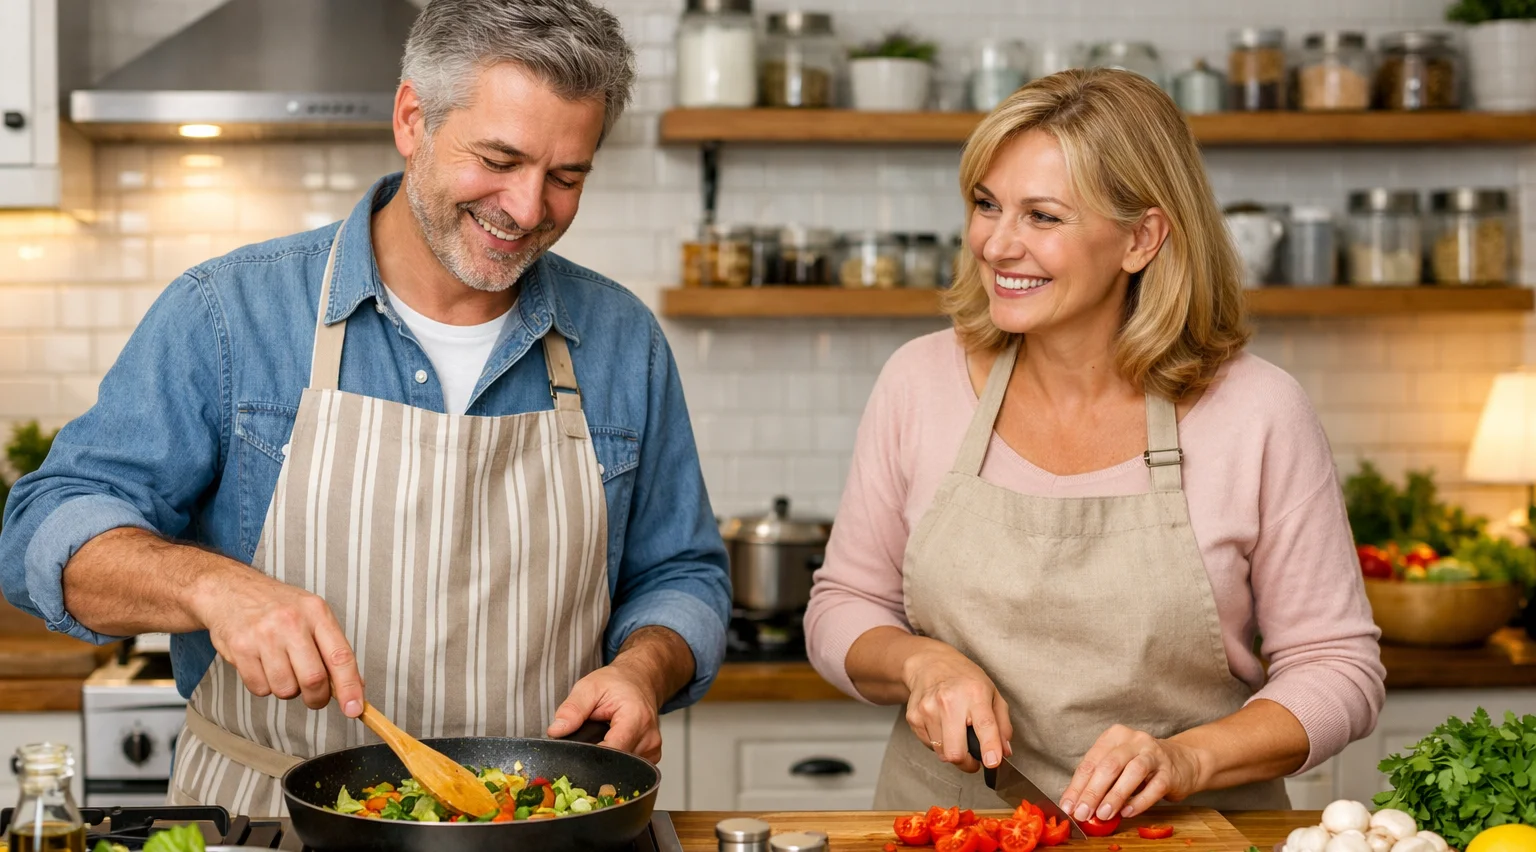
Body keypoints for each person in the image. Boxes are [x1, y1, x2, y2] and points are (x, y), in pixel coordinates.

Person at [0, 0, 729, 815]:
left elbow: (680, 572)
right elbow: (42, 530)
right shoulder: (229, 314)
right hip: (266, 815)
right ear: (412, 118)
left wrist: (645, 665)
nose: (528, 210)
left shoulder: (622, 339)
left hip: (537, 825)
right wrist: (209, 587)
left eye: (566, 177)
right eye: (498, 158)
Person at [804, 69, 1385, 820]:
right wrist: (920, 662)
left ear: (1141, 238)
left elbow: (1339, 669)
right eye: (986, 205)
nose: (997, 244)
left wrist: (1188, 757)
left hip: (1191, 830)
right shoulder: (919, 381)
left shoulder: (1258, 411)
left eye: (1042, 217)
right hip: (954, 824)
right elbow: (842, 606)